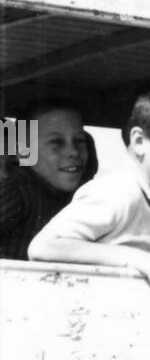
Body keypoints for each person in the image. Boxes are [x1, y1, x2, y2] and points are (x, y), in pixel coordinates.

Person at [28, 80, 150, 299]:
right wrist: (136, 258)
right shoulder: (120, 192)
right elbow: (44, 246)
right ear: (139, 141)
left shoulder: (146, 195)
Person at [0, 98, 96, 260]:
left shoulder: (82, 196)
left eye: (79, 141)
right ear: (24, 151)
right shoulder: (18, 191)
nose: (73, 152)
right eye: (56, 142)